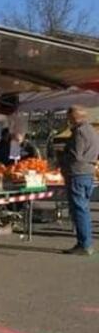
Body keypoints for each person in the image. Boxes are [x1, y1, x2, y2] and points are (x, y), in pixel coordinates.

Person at [60, 105, 99, 256]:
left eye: (68, 117)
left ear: (74, 117)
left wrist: (61, 159)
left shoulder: (80, 132)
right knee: (84, 209)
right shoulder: (92, 131)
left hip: (78, 173)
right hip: (88, 172)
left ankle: (85, 244)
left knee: (79, 210)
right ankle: (84, 242)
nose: (68, 121)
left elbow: (76, 154)